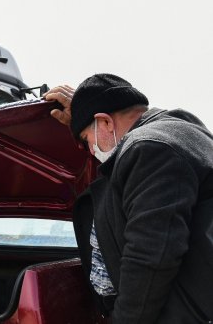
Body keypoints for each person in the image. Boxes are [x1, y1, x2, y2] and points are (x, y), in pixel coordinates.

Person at [44, 74, 213, 323]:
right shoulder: (183, 129)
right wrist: (84, 109)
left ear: (105, 122)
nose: (90, 151)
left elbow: (150, 258)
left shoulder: (148, 149)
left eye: (86, 140)